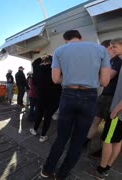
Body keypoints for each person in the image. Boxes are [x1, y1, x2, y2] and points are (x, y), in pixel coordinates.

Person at [41, 30, 111, 179]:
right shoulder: (101, 50)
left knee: (61, 137)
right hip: (89, 96)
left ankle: (47, 170)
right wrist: (90, 80)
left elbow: (55, 79)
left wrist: (70, 78)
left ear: (65, 40)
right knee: (78, 140)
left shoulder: (60, 50)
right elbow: (105, 82)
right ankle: (63, 174)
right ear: (81, 37)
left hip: (68, 95)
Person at [88, 38, 122, 180]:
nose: (112, 49)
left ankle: (102, 169)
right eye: (111, 47)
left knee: (108, 140)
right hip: (118, 109)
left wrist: (116, 110)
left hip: (118, 111)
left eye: (114, 47)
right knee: (117, 140)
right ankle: (106, 167)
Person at [29, 55, 62, 142]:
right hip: (54, 98)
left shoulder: (38, 69)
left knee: (39, 114)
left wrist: (42, 57)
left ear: (44, 61)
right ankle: (42, 136)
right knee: (48, 117)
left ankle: (35, 130)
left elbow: (34, 63)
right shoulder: (57, 70)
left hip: (41, 97)